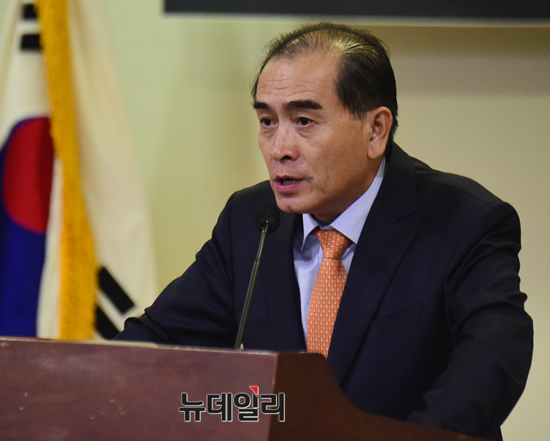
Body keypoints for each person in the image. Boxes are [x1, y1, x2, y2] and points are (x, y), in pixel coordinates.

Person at [115, 23, 533, 440]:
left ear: (375, 130)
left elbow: (493, 361)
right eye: (267, 121)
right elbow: (154, 348)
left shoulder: (462, 221)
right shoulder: (250, 221)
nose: (279, 148)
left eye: (303, 121)